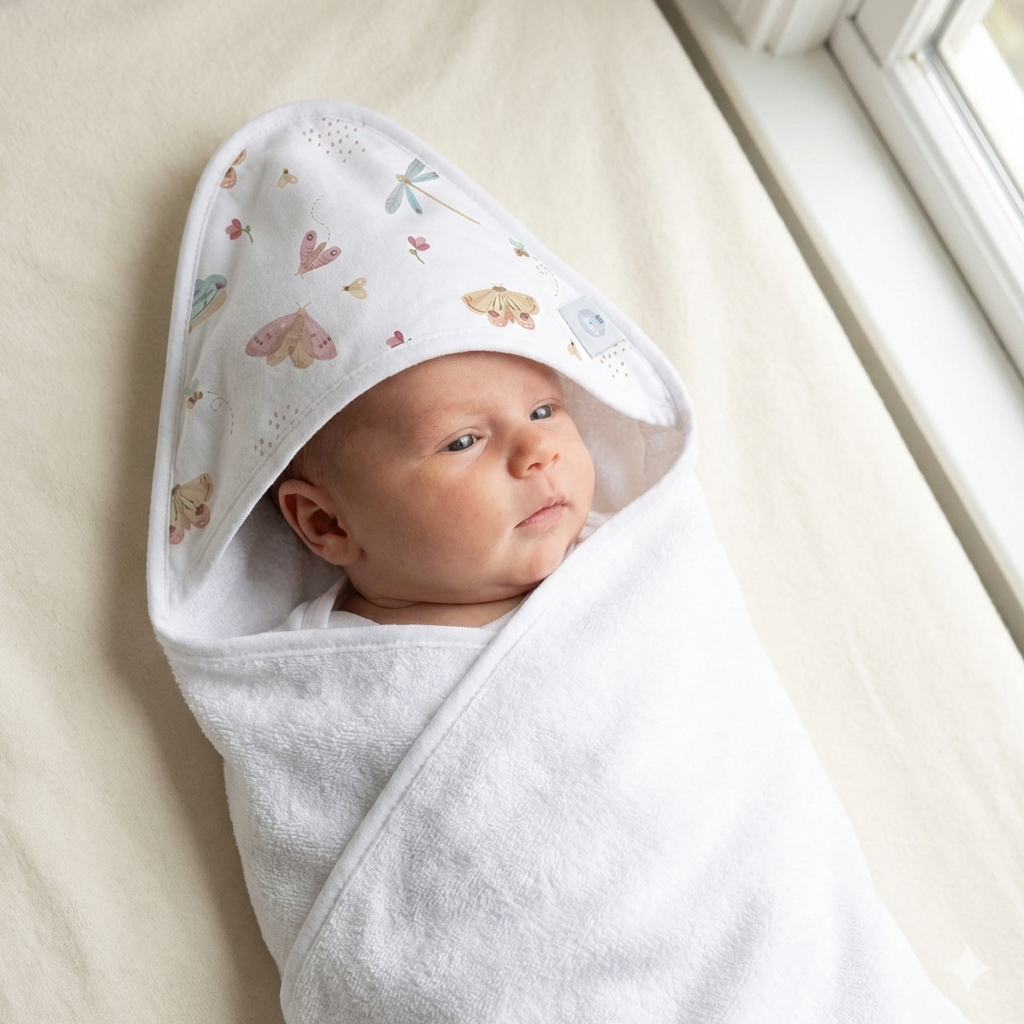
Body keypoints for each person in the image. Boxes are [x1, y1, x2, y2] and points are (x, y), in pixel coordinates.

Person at [274, 351, 603, 630]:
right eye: (463, 442)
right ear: (328, 524)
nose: (540, 449)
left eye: (542, 412)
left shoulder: (622, 550)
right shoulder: (299, 668)